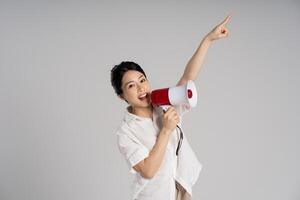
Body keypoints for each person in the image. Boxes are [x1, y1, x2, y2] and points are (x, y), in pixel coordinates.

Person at [110, 15, 231, 200]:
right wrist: (166, 130)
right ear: (122, 96)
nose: (141, 87)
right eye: (131, 85)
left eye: (142, 80)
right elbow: (148, 170)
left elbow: (187, 77)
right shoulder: (126, 132)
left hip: (180, 190)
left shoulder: (162, 104)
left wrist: (208, 40)